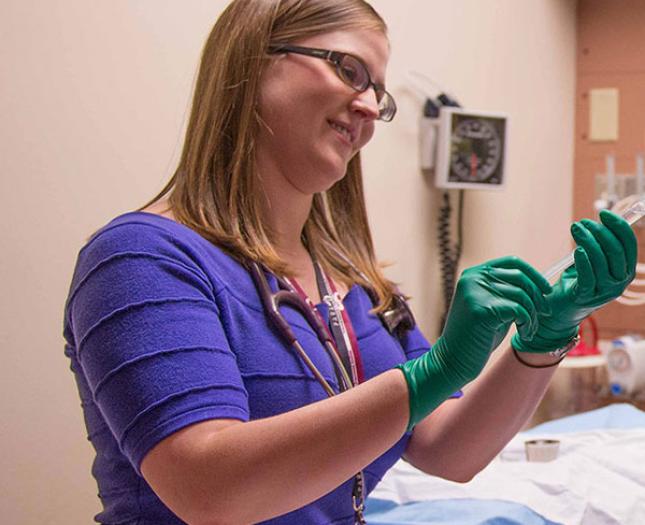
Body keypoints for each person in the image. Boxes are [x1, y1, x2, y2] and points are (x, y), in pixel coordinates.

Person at [63, 1, 638, 524]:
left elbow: (447, 449)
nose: (368, 105)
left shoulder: (351, 284)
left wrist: (544, 339)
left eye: (378, 92)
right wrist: (431, 373)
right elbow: (210, 490)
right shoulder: (142, 259)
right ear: (254, 61)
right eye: (348, 69)